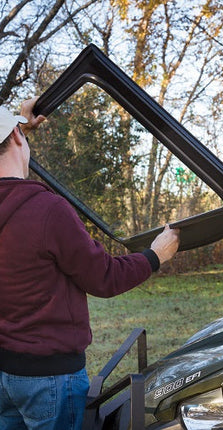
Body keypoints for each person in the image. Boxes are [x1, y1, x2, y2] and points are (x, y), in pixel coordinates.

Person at [0, 97, 180, 430]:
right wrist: (155, 255)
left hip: (5, 374)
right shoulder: (46, 210)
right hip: (50, 378)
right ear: (14, 137)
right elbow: (105, 277)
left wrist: (18, 128)